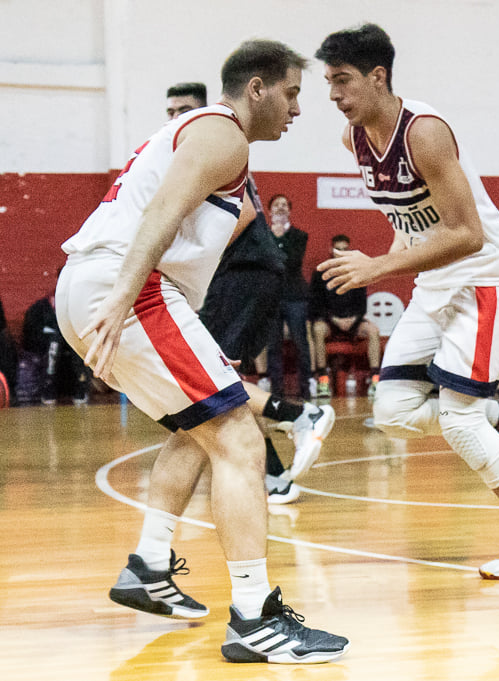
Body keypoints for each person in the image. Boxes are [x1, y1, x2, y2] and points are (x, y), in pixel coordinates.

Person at [55, 39, 348, 663]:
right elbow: (162, 210)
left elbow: (202, 222)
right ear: (258, 88)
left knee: (199, 429)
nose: (299, 109)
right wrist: (126, 294)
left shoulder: (218, 149)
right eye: (293, 93)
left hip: (112, 287)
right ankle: (254, 618)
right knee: (240, 439)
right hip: (126, 287)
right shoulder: (224, 133)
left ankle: (149, 566)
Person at [315, 23, 499, 578]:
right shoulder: (353, 138)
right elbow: (408, 218)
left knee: (459, 422)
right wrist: (389, 258)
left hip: (482, 277)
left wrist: (378, 268)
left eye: (342, 81)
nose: (333, 95)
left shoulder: (425, 133)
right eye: (328, 83)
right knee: (394, 412)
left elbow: (467, 234)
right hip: (436, 281)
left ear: (378, 77)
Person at [170, 82, 335, 505]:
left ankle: (301, 414)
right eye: (170, 110)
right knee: (220, 382)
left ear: (202, 109)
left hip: (246, 273)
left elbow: (242, 214)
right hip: (242, 276)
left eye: (184, 108)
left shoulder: (213, 142)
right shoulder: (200, 145)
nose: (175, 117)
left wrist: (192, 265)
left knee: (210, 381)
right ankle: (276, 475)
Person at [309, 233, 382, 397]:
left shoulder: (357, 272)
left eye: (344, 249)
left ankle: (375, 379)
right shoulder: (320, 274)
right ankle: (322, 379)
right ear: (331, 250)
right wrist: (333, 319)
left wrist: (353, 319)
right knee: (317, 330)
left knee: (373, 331)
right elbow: (316, 304)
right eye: (338, 250)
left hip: (353, 321)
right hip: (330, 321)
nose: (341, 253)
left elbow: (362, 303)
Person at [264, 194, 314, 398]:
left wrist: (277, 240)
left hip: (295, 296)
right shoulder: (262, 235)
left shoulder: (300, 235)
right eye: (277, 204)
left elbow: (292, 262)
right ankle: (276, 391)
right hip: (272, 297)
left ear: (290, 210)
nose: (281, 207)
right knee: (273, 344)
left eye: (285, 204)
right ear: (269, 211)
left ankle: (305, 388)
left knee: (300, 342)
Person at [22, 282, 92, 404]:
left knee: (74, 343)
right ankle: (49, 384)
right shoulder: (40, 308)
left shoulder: (79, 308)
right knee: (55, 342)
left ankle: (81, 384)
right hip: (49, 355)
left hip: (71, 356)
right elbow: (30, 337)